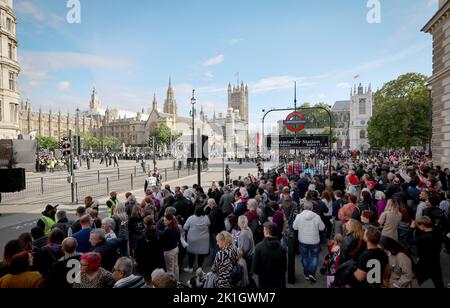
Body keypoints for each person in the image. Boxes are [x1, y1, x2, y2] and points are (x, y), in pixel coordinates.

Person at [292, 200, 325, 282]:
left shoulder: (299, 216)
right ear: (312, 207)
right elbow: (322, 228)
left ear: (303, 207)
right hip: (314, 241)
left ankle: (306, 272)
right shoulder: (317, 217)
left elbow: (294, 227)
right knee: (314, 256)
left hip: (303, 240)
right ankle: (312, 272)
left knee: (304, 256)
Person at [410, 216, 444, 288]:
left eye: (418, 226)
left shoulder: (424, 238)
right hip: (435, 263)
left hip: (424, 265)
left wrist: (412, 228)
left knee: (413, 283)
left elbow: (410, 241)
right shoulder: (437, 234)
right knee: (439, 284)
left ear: (422, 225)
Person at [252, 222, 287, 288]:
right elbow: (284, 268)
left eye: (264, 229)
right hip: (278, 282)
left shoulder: (259, 247)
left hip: (264, 283)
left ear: (267, 232)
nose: (263, 231)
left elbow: (255, 270)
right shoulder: (282, 248)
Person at [183, 206, 211, 273]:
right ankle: (200, 267)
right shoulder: (206, 218)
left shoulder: (191, 218)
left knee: (191, 253)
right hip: (204, 238)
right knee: (201, 253)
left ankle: (190, 267)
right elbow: (209, 224)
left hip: (193, 238)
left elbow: (185, 227)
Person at [159, 213, 180, 280]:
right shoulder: (176, 226)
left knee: (170, 269)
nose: (164, 222)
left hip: (169, 251)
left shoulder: (168, 229)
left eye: (165, 220)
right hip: (175, 248)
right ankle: (177, 280)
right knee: (176, 266)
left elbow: (163, 239)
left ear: (170, 220)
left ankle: (172, 283)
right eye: (164, 220)